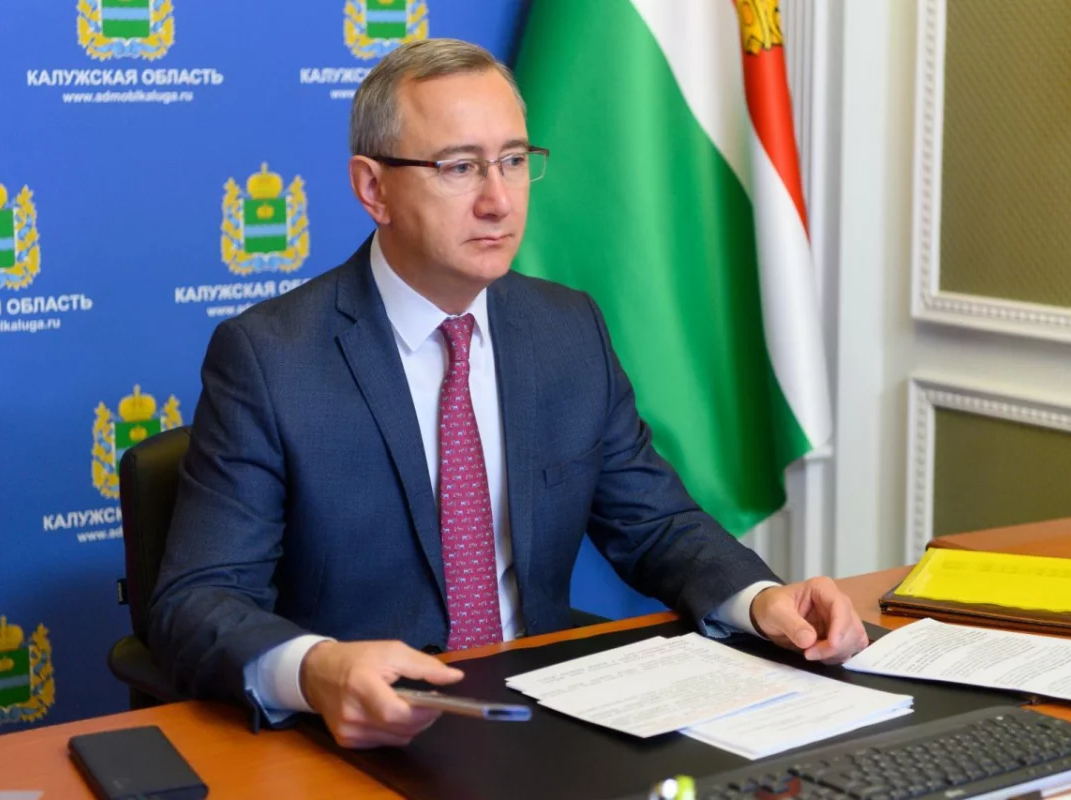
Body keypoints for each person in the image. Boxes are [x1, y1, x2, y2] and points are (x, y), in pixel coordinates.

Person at [148, 38, 868, 750]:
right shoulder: (271, 358)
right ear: (374, 189)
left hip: (546, 720)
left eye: (515, 161)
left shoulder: (567, 328)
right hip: (363, 735)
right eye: (459, 167)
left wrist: (762, 600)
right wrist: (315, 670)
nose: (498, 201)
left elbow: (655, 524)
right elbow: (197, 600)